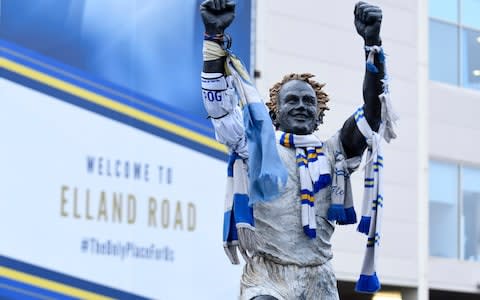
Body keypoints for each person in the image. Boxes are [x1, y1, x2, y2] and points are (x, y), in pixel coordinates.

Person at [200, 1, 395, 299]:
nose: (301, 106)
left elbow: (372, 114)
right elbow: (221, 112)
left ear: (320, 116)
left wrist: (373, 43)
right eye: (292, 100)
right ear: (274, 114)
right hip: (268, 274)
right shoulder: (256, 147)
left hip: (319, 275)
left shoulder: (334, 152)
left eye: (309, 102)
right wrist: (213, 39)